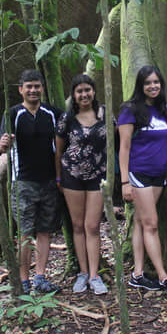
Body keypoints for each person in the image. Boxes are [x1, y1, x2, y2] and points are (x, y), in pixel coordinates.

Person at [117, 65, 167, 301]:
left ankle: (137, 274)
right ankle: (164, 277)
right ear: (141, 85)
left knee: (140, 221)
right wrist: (125, 181)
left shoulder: (164, 109)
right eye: (148, 83)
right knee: (151, 224)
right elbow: (124, 147)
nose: (153, 86)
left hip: (159, 174)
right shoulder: (130, 110)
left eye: (156, 82)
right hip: (139, 174)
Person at [0, 70, 62, 294]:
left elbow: (72, 127)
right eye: (29, 87)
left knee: (45, 231)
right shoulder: (13, 113)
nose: (33, 90)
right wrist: (4, 143)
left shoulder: (51, 113)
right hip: (23, 182)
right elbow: (2, 146)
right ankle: (24, 280)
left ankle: (41, 278)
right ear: (21, 89)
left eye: (37, 86)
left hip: (49, 181)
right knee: (25, 233)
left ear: (42, 88)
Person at [55, 74, 108, 295]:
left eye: (88, 90)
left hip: (98, 177)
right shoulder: (67, 119)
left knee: (92, 226)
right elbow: (58, 150)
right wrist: (58, 177)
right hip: (71, 177)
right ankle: (83, 273)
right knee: (77, 226)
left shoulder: (104, 114)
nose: (84, 94)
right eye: (80, 91)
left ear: (93, 92)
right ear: (74, 95)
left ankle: (95, 275)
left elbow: (119, 138)